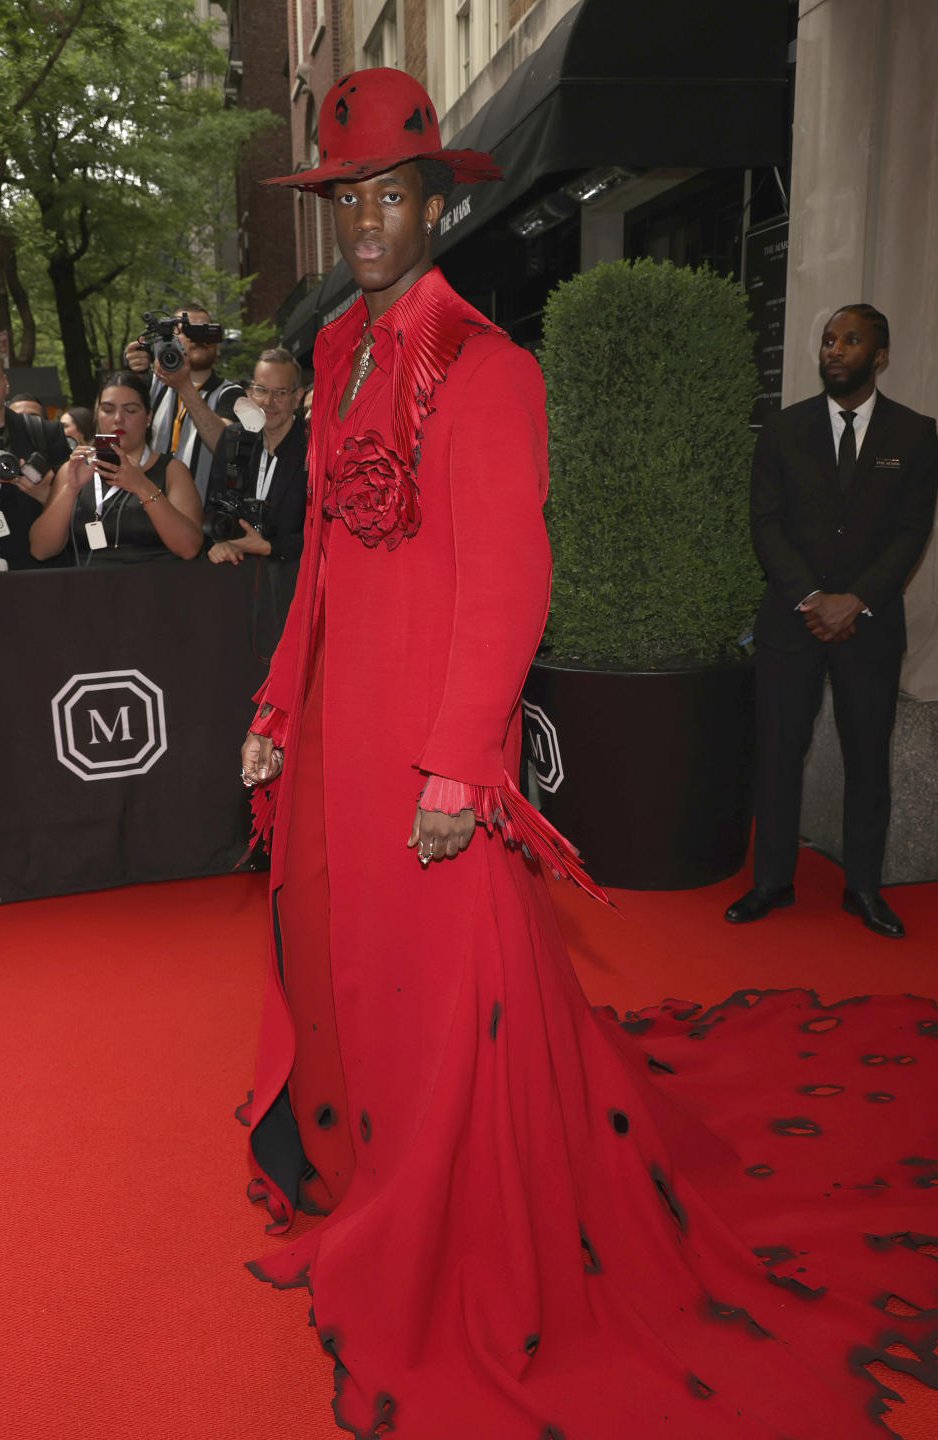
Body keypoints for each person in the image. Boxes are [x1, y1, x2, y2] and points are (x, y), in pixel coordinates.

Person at [237, 71, 938, 1440]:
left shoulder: (490, 371)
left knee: (449, 987)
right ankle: (368, 1153)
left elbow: (511, 581)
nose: (367, 223)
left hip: (429, 744)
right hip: (338, 731)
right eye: (346, 202)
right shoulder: (334, 356)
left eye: (391, 196)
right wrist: (275, 707)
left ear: (437, 207)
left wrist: (459, 764)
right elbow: (319, 558)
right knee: (354, 965)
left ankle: (443, 1203)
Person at [726, 305, 938, 939]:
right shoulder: (783, 431)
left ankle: (865, 889)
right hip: (792, 620)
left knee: (868, 756)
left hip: (870, 624)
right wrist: (813, 597)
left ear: (879, 356)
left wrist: (855, 599)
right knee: (778, 752)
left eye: (850, 340)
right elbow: (766, 523)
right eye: (828, 340)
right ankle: (771, 882)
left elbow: (910, 533)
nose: (834, 349)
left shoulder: (915, 434)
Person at [29, 371, 203, 565]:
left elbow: (189, 548)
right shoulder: (74, 469)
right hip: (88, 586)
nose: (118, 419)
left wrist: (141, 486)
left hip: (156, 584)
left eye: (130, 410)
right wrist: (70, 489)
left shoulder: (172, 470)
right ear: (97, 415)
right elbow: (40, 550)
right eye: (108, 410)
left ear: (148, 417)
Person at [125, 304, 245, 503]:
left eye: (205, 330)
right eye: (188, 330)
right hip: (143, 512)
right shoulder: (150, 385)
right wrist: (129, 372)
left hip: (202, 519)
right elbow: (107, 422)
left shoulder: (231, 394)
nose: (199, 338)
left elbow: (226, 446)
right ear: (168, 339)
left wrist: (184, 385)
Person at [205, 348, 306, 566]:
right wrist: (219, 541)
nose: (269, 402)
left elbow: (326, 532)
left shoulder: (314, 447)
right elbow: (214, 507)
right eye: (261, 390)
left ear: (297, 397)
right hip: (239, 573)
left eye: (280, 392)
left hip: (293, 578)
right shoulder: (233, 438)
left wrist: (270, 547)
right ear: (250, 393)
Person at [0, 340, 70, 569]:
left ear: (6, 383)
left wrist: (49, 496)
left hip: (44, 574)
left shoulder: (47, 434)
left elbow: (80, 511)